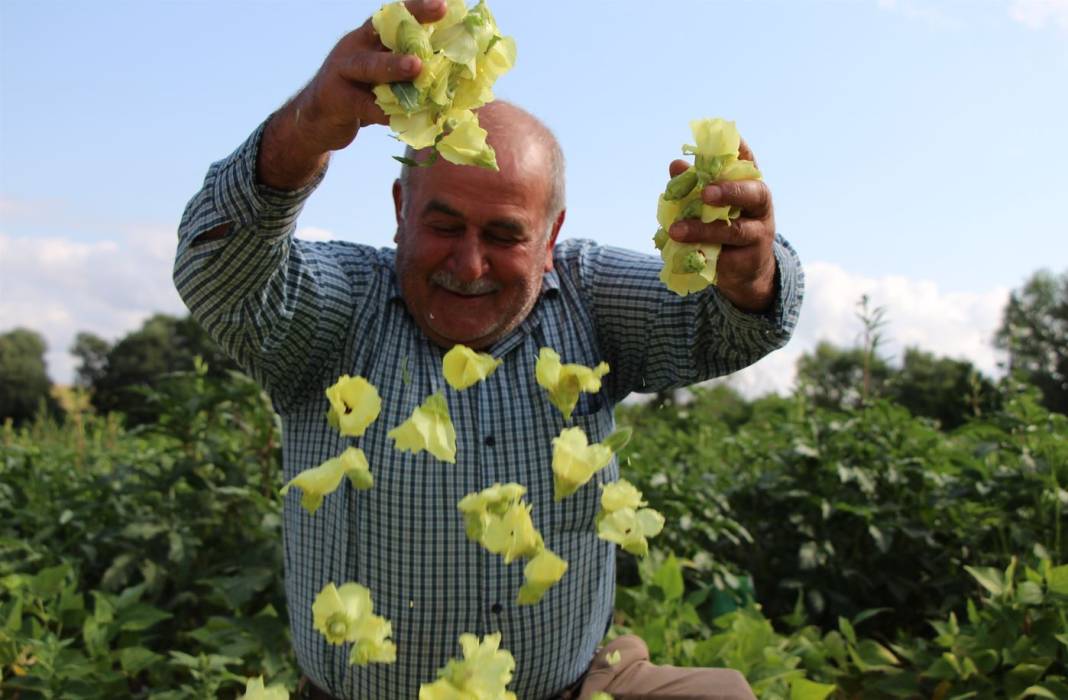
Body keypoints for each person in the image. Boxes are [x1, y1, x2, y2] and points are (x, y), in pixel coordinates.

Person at [173, 1, 803, 697]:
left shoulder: (589, 294)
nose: (469, 266)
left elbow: (730, 327)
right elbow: (217, 275)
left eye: (504, 236)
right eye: (443, 225)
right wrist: (304, 132)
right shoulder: (337, 310)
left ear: (551, 235)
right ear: (398, 210)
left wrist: (751, 275)